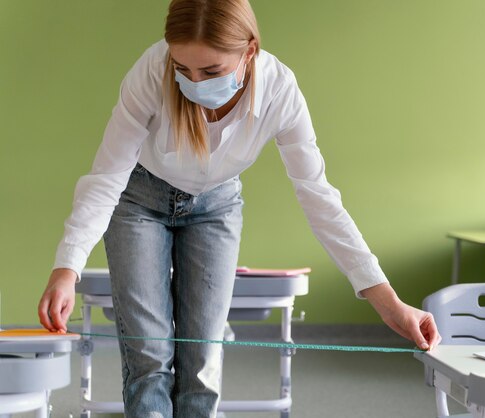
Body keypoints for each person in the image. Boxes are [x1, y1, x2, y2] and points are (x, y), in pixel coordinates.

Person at [38, 0, 441, 416]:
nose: (193, 82)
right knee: (149, 357)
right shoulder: (150, 71)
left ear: (249, 50)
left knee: (203, 363)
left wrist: (390, 304)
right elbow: (106, 178)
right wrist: (67, 268)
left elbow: (319, 197)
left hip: (216, 207)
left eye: (210, 71)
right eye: (183, 69)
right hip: (138, 201)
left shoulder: (280, 89)